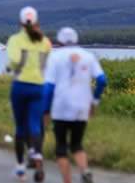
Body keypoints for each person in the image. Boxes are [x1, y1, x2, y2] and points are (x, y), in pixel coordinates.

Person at [44, 28, 107, 183]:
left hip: (61, 107)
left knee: (61, 148)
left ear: (59, 41)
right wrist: (95, 101)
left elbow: (49, 87)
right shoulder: (88, 56)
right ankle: (85, 170)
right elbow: (102, 80)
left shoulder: (54, 57)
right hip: (82, 106)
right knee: (77, 144)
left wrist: (45, 109)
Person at [7, 7, 52, 182]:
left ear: (20, 22)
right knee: (35, 124)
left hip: (20, 86)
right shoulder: (45, 42)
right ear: (36, 22)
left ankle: (20, 168)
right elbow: (48, 63)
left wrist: (11, 68)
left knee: (20, 127)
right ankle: (37, 155)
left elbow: (14, 61)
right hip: (39, 86)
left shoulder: (15, 40)